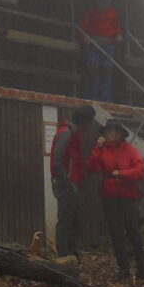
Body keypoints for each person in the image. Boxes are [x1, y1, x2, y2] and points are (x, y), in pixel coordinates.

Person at [85, 119, 144, 282]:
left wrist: (121, 173)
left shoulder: (131, 151)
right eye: (106, 131)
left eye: (110, 131)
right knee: (116, 234)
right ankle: (123, 269)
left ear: (119, 133)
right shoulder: (101, 150)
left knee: (134, 233)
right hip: (110, 197)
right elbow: (92, 166)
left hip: (128, 198)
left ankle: (142, 269)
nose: (107, 134)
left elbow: (140, 170)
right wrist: (98, 149)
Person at [50, 104, 97, 258]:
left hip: (72, 183)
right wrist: (67, 182)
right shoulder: (66, 134)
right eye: (89, 122)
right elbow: (57, 160)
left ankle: (73, 250)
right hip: (66, 185)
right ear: (84, 122)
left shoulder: (71, 134)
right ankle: (63, 254)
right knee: (65, 219)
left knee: (74, 217)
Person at [77, 0, 123, 101]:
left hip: (108, 44)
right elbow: (82, 28)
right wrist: (85, 37)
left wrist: (118, 34)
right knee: (94, 69)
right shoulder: (91, 13)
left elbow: (117, 27)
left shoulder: (112, 13)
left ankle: (105, 98)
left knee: (107, 70)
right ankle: (93, 97)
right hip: (94, 44)